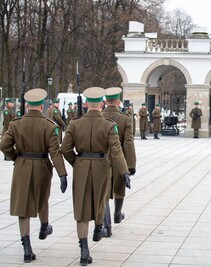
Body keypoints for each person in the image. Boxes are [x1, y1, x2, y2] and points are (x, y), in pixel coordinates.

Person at [61, 87, 131, 265]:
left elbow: (65, 149)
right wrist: (124, 171)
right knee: (101, 200)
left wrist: (76, 162)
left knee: (82, 209)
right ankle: (99, 227)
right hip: (102, 165)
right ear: (101, 104)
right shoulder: (109, 125)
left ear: (85, 104)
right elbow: (116, 151)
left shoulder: (74, 124)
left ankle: (84, 250)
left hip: (82, 165)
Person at [0, 88, 68, 263]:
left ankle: (27, 248)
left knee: (23, 206)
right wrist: (62, 174)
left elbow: (4, 145)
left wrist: (17, 157)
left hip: (22, 166)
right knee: (41, 199)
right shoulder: (50, 125)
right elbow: (55, 152)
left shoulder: (16, 124)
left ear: (28, 105)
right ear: (43, 105)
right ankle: (44, 226)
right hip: (42, 166)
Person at [101, 87, 136, 236]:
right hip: (119, 156)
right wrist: (131, 164)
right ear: (117, 101)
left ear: (105, 101)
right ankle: (117, 214)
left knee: (104, 192)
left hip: (102, 157)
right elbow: (129, 142)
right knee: (119, 187)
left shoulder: (100, 117)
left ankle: (106, 226)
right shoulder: (125, 118)